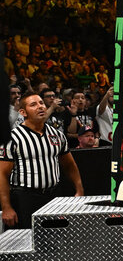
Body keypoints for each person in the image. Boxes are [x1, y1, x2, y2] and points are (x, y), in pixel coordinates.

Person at [0, 91, 84, 229]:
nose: (40, 107)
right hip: (25, 197)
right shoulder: (13, 138)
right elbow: (2, 174)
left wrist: (79, 190)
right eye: (33, 104)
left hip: (54, 196)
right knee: (27, 240)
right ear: (23, 112)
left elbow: (69, 165)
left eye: (41, 103)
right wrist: (6, 207)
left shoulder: (57, 135)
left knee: (55, 239)